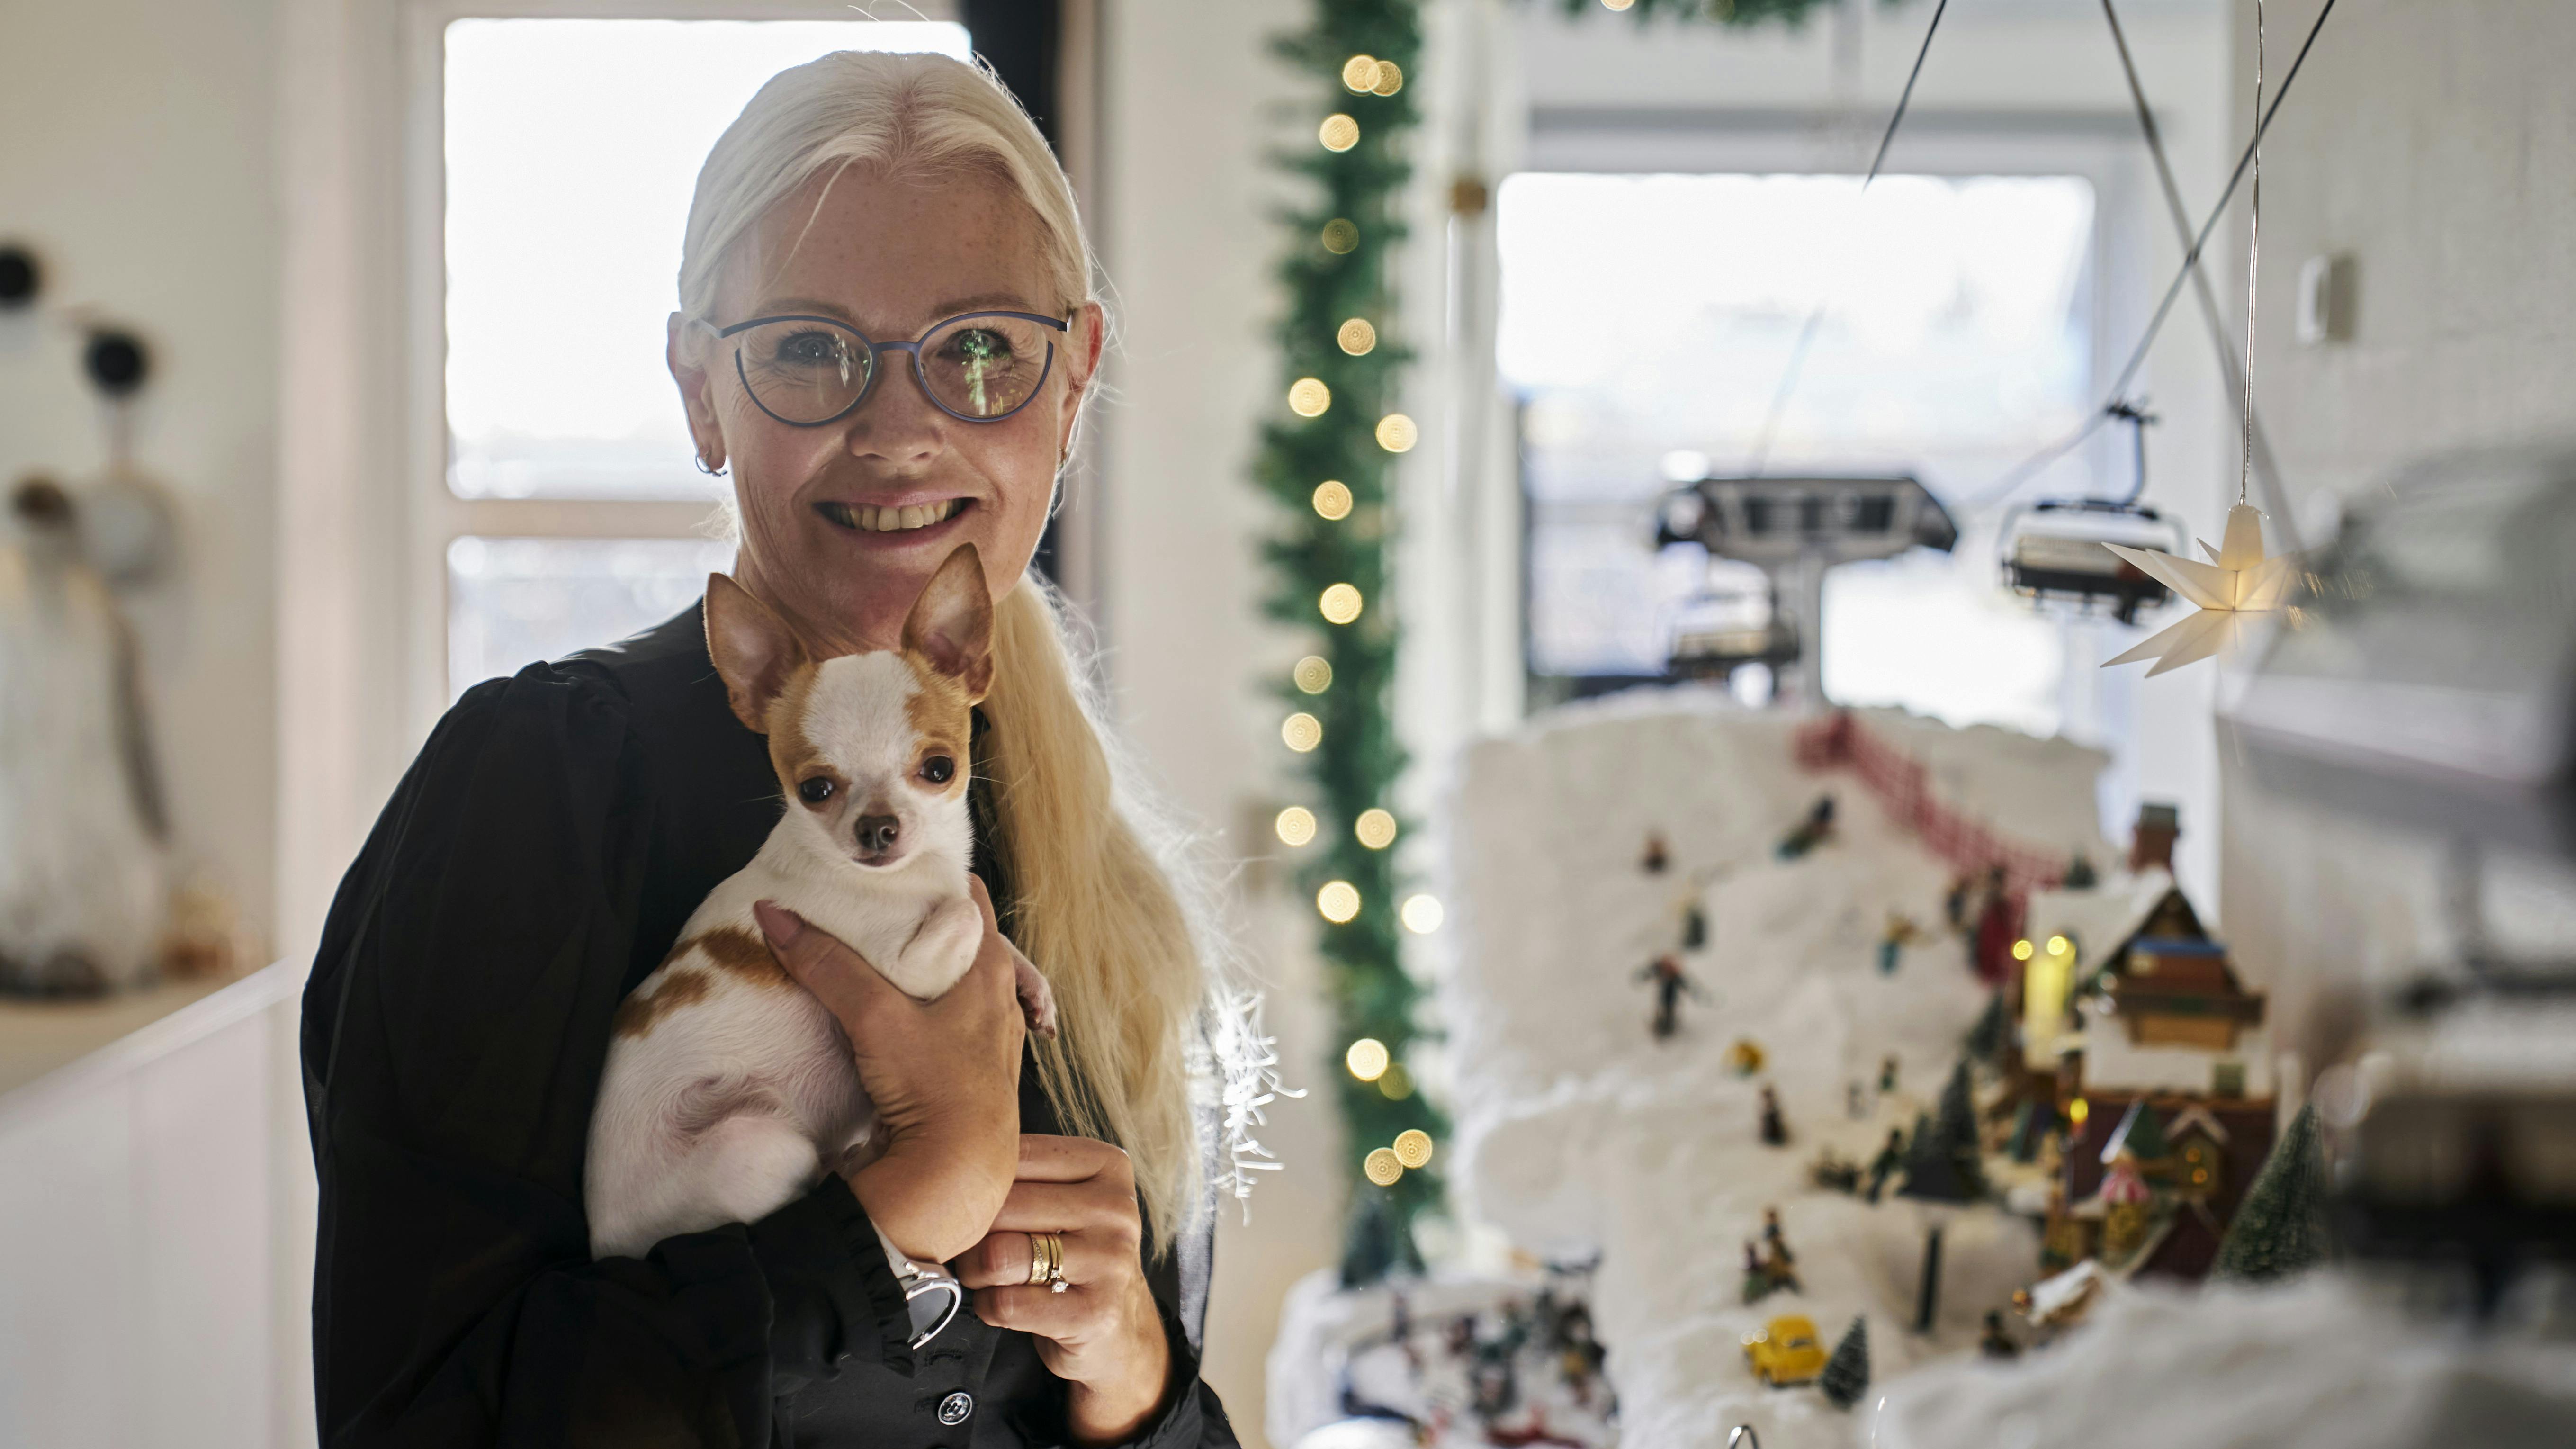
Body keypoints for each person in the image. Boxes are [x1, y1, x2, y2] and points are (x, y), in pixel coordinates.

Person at [300, 51, 1237, 1448]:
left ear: (1074, 381)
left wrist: (1139, 1375)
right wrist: (889, 1220)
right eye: (810, 348)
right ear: (698, 390)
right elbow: (416, 1420)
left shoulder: (1091, 865)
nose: (903, 431)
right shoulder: (540, 788)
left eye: (982, 349)